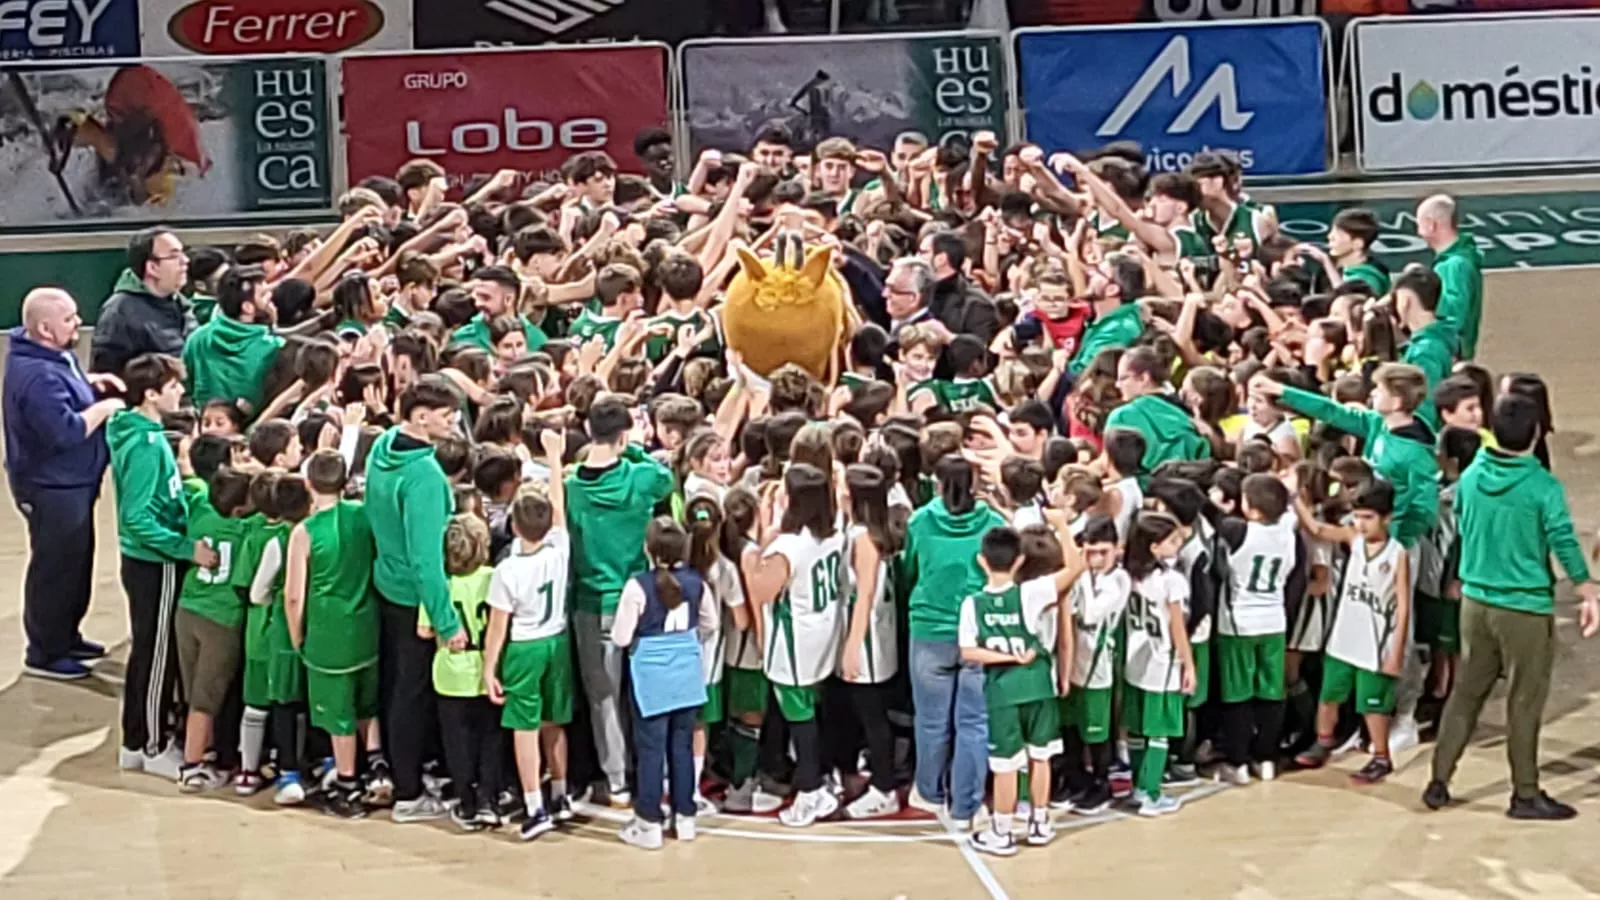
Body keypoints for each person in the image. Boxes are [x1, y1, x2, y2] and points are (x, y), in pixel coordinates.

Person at [1424, 394, 1599, 820]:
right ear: (1536, 434)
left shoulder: (1470, 477)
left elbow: (1462, 523)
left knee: (1466, 692)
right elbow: (1561, 538)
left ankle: (1439, 780)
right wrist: (1586, 588)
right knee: (1524, 700)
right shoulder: (1541, 486)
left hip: (1475, 601)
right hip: (1523, 607)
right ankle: (1524, 793)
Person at [4, 288, 124, 679]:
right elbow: (66, 431)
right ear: (43, 328)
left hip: (73, 483)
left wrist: (89, 382)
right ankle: (44, 653)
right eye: (70, 318)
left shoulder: (52, 357)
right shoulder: (36, 376)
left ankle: (65, 636)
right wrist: (103, 408)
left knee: (76, 562)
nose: (77, 323)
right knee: (55, 569)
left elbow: (65, 385)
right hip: (50, 487)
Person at [108, 353, 217, 778]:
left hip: (149, 560)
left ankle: (136, 739)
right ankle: (152, 746)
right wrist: (185, 547)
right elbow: (137, 516)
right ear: (151, 394)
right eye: (173, 387)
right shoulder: (146, 445)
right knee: (156, 657)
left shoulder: (143, 433)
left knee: (149, 653)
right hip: (155, 563)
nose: (181, 393)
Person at [566, 394, 676, 806]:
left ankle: (616, 781)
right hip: (641, 598)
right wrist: (632, 446)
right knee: (647, 690)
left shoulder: (572, 487)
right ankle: (655, 770)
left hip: (593, 603)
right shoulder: (638, 477)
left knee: (603, 698)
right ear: (624, 434)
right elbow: (665, 478)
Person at [364, 376, 464, 823]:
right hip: (415, 597)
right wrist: (447, 622)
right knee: (412, 694)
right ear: (420, 416)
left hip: (385, 583)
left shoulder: (382, 445)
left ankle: (404, 771)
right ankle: (407, 794)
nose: (455, 422)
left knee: (395, 689)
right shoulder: (424, 476)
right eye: (447, 415)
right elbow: (428, 561)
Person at [903, 454, 1007, 827]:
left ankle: (929, 791)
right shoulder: (994, 524)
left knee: (931, 721)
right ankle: (966, 804)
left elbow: (908, 570)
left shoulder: (919, 522)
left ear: (936, 482)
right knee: (975, 722)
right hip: (979, 633)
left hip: (930, 628)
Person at [482, 430, 575, 841]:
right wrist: (554, 458)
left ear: (515, 527)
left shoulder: (507, 570)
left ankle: (535, 806)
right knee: (555, 723)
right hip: (558, 641)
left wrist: (489, 669)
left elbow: (498, 627)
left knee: (525, 727)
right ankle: (560, 793)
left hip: (525, 646)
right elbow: (558, 507)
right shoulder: (560, 548)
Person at [746, 463, 848, 827]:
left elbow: (760, 591)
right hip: (823, 632)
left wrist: (762, 540)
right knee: (810, 712)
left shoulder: (789, 546)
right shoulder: (834, 533)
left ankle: (810, 791)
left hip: (793, 644)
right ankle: (820, 776)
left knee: (799, 718)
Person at [284, 450, 380, 820]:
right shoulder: (363, 516)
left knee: (338, 714)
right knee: (367, 704)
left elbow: (294, 596)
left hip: (329, 635)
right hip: (367, 627)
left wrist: (297, 636)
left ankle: (347, 785)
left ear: (308, 483)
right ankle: (376, 765)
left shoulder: (304, 532)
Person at [1295, 481, 1409, 785]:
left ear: (1386, 518)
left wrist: (1396, 653)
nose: (1360, 523)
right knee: (1329, 695)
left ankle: (1381, 756)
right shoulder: (1353, 538)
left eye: (1368, 517)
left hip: (1376, 642)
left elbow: (1404, 608)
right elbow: (1317, 530)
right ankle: (1324, 741)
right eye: (1357, 516)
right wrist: (1295, 497)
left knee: (1373, 705)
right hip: (1344, 637)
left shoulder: (1397, 554)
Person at [611, 517, 716, 849]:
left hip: (650, 679)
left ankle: (649, 822)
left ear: (648, 549)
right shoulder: (697, 582)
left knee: (651, 750)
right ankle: (685, 818)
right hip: (687, 674)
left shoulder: (637, 586)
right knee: (682, 746)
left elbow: (621, 635)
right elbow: (710, 623)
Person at [182, 265, 285, 420]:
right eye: (264, 295)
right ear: (248, 308)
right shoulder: (274, 347)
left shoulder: (197, 339)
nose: (270, 297)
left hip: (205, 430)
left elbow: (185, 388)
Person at [91, 227, 196, 376]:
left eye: (183, 253)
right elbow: (107, 375)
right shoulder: (119, 312)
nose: (185, 260)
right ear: (152, 267)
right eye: (174, 256)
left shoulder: (181, 304)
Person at [1103, 346, 1212, 475]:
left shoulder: (1122, 416)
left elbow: (1108, 465)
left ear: (1144, 378)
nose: (1117, 385)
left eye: (1122, 378)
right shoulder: (1190, 415)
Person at [1417, 194, 1484, 361]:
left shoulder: (1453, 266)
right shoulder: (1455, 262)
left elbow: (1453, 316)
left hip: (1450, 355)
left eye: (1419, 223)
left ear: (1431, 225)